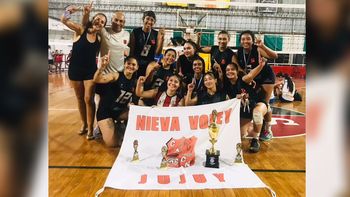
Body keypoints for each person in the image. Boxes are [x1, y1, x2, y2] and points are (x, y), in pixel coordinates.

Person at [61, 5, 107, 140]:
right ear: (93, 20)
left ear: (103, 26)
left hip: (90, 71)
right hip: (75, 70)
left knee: (89, 99)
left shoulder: (99, 38)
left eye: (102, 22)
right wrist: (68, 10)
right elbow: (64, 20)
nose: (99, 22)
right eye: (98, 19)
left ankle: (91, 127)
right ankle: (84, 124)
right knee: (80, 99)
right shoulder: (80, 30)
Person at [237, 30, 278, 141]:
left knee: (265, 102)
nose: (246, 41)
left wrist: (263, 46)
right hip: (252, 78)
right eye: (243, 39)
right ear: (240, 41)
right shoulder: (239, 52)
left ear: (252, 40)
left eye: (248, 39)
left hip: (266, 78)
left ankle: (267, 129)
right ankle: (255, 123)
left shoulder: (258, 49)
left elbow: (275, 56)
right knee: (254, 101)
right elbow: (240, 68)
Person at [223, 57, 267, 153]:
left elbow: (251, 75)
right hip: (245, 111)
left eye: (232, 69)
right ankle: (258, 125)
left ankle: (255, 140)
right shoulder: (226, 85)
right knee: (242, 135)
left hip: (257, 104)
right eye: (227, 70)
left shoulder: (243, 80)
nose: (229, 71)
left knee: (257, 114)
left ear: (237, 71)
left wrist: (261, 65)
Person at [93, 54, 139, 147]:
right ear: (124, 64)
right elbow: (97, 79)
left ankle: (118, 126)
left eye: (133, 64)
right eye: (128, 63)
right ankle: (100, 128)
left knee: (137, 114)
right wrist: (101, 67)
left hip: (119, 112)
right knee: (112, 144)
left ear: (137, 67)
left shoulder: (136, 81)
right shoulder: (116, 75)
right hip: (105, 112)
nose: (130, 66)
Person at [82, 2, 130, 73]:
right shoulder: (103, 30)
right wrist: (86, 14)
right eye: (116, 20)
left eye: (121, 21)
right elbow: (85, 26)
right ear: (111, 20)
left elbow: (126, 50)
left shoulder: (127, 34)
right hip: (103, 73)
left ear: (124, 23)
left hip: (119, 74)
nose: (118, 23)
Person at [128, 11, 165, 77]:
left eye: (152, 20)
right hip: (136, 63)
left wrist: (162, 39)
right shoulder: (135, 32)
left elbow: (158, 53)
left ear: (154, 22)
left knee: (146, 83)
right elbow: (131, 51)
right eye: (147, 19)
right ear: (143, 19)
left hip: (149, 64)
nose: (149, 22)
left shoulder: (156, 34)